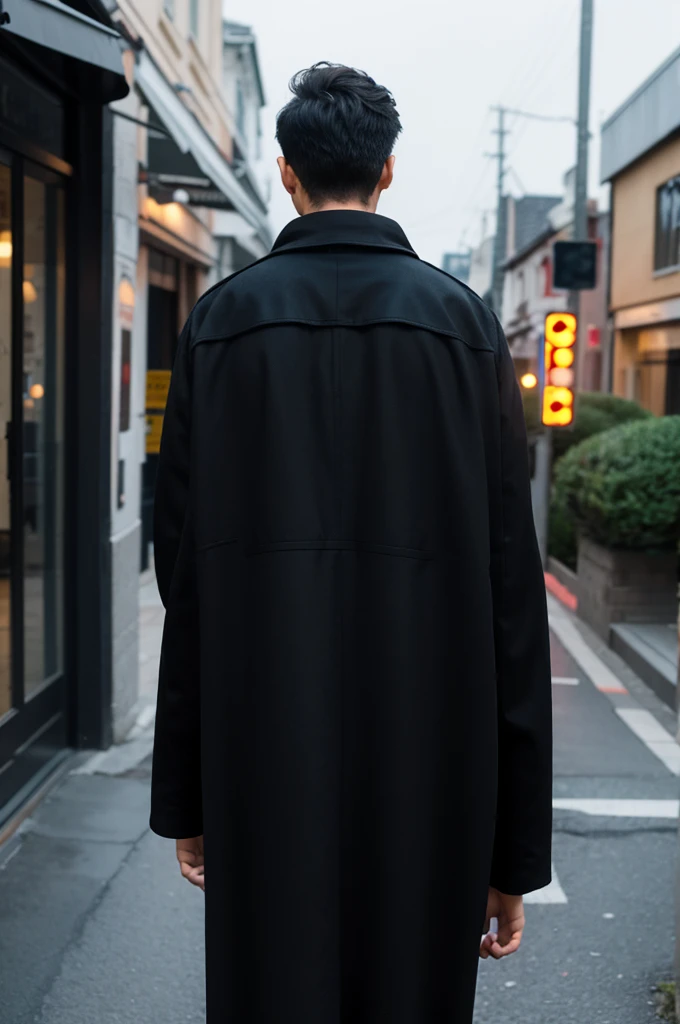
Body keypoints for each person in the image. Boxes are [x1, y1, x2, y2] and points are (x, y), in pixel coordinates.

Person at [150, 62, 552, 1023]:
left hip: (261, 753)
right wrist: (514, 859)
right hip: (433, 767)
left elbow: (184, 579)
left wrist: (190, 798)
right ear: (388, 171)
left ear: (286, 172)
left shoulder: (219, 323)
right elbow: (511, 600)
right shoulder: (465, 326)